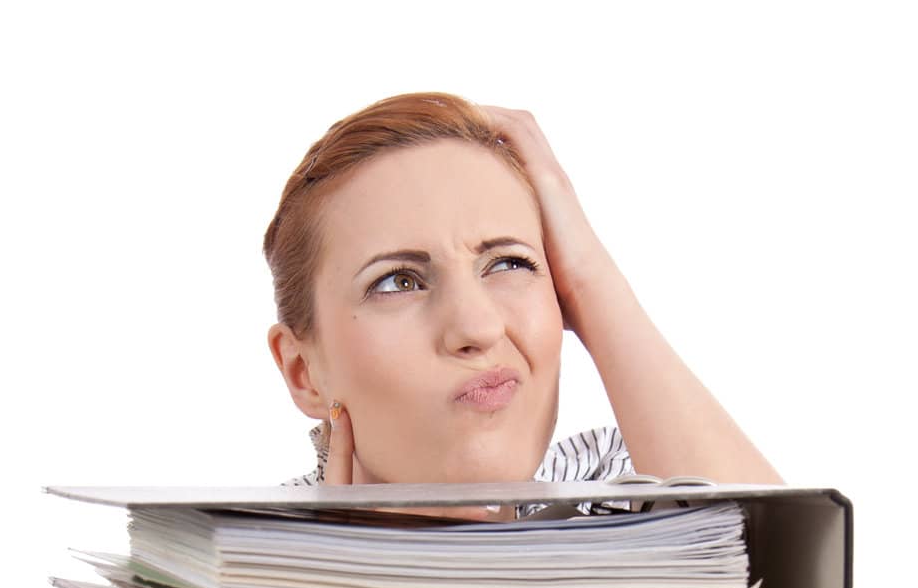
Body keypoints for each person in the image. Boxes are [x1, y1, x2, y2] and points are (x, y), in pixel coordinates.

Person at [264, 93, 782, 516]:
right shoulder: (237, 569)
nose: (478, 326)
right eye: (399, 281)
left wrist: (591, 280)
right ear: (302, 371)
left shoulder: (631, 483)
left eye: (510, 264)